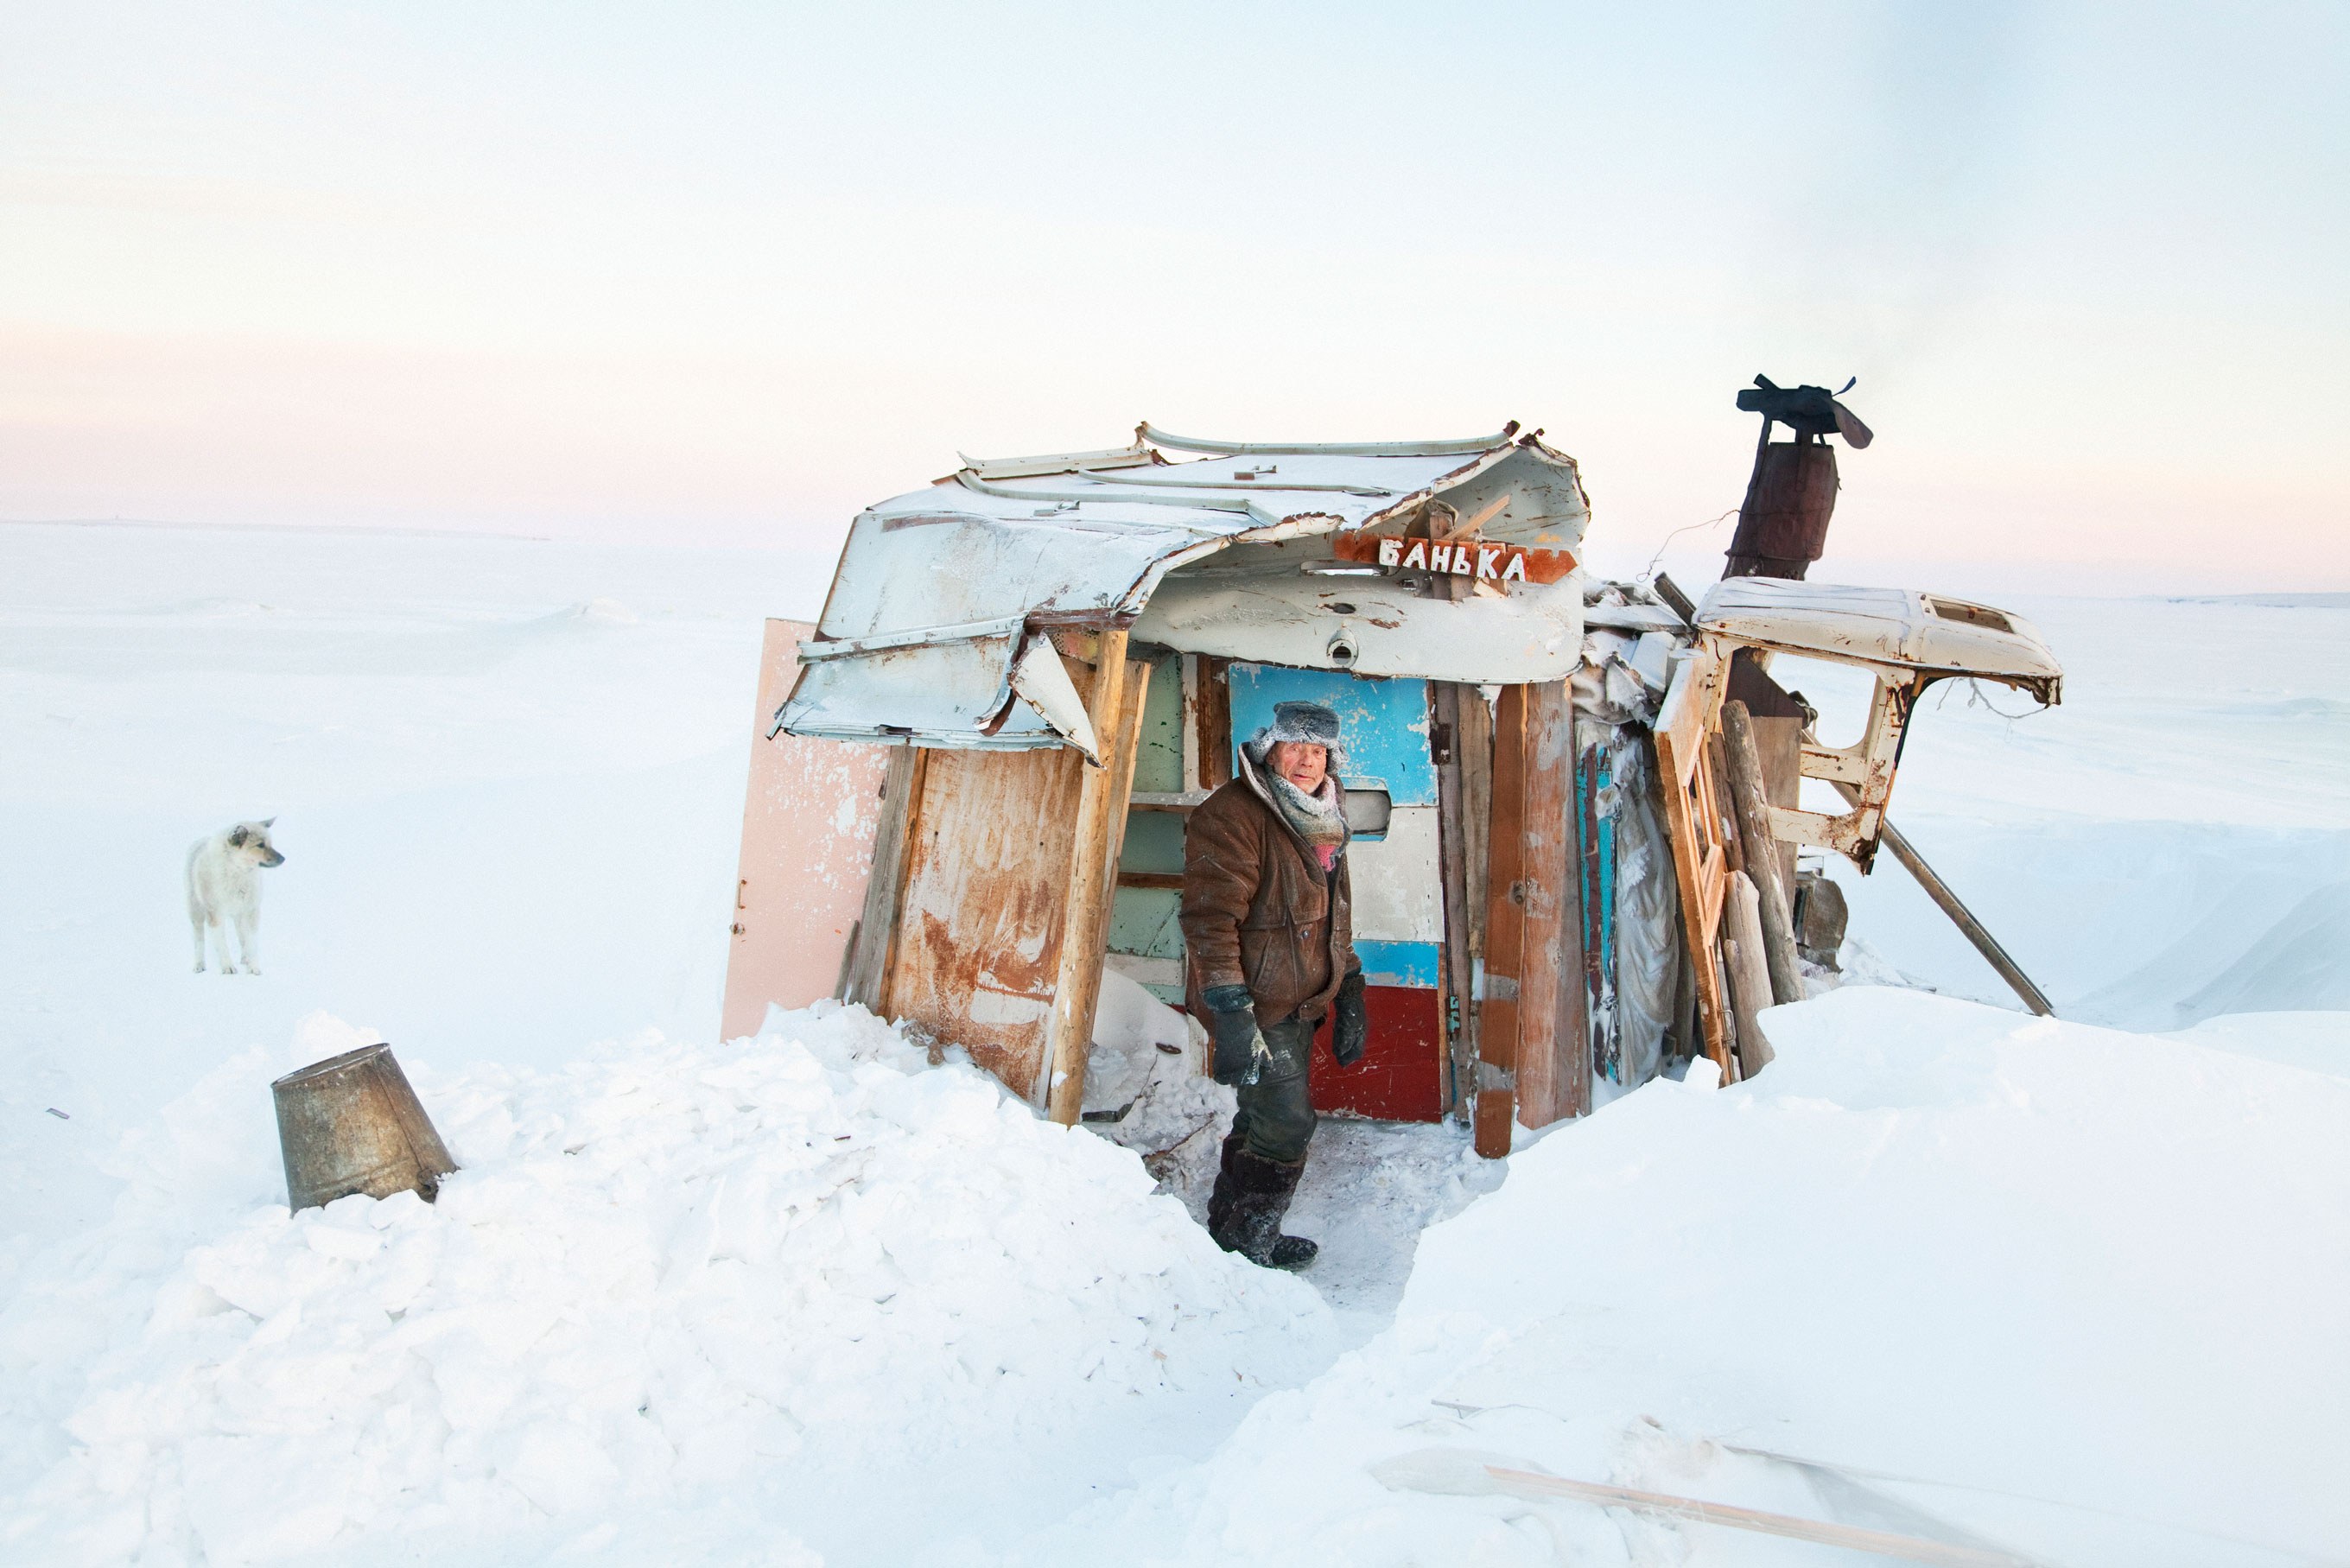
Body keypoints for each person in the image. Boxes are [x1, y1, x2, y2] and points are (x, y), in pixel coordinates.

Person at [1180, 701, 1369, 1270]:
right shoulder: (1235, 814)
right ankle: (1251, 1241)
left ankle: (1230, 1229)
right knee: (1287, 1123)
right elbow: (1211, 921)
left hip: (1298, 1000)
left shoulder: (1323, 816)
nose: (1307, 760)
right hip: (1255, 1001)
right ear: (1270, 749)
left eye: (1318, 750)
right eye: (1296, 747)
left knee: (1260, 1114)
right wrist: (1232, 1011)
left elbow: (1333, 915)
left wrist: (1350, 985)